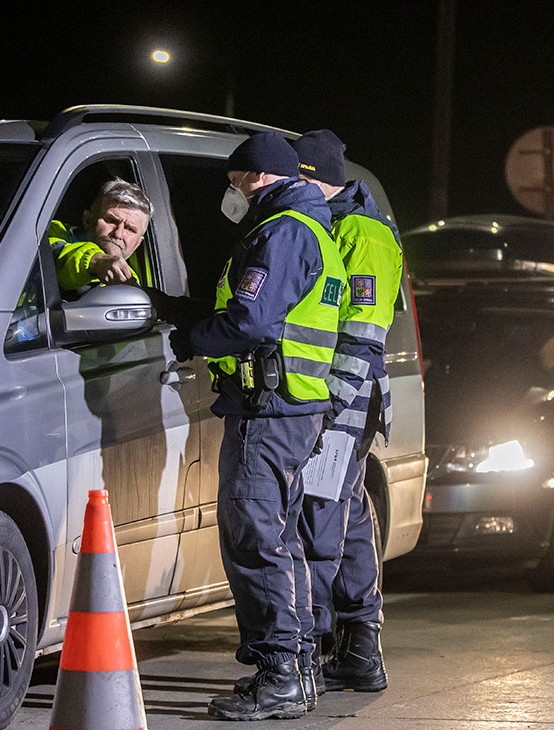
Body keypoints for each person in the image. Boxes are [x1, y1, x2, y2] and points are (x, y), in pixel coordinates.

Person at [164, 131, 346, 721]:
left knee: (254, 541)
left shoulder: (284, 231)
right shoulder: (312, 227)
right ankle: (296, 669)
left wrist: (191, 338)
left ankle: (280, 677)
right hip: (293, 408)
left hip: (270, 411)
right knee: (280, 540)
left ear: (259, 177)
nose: (232, 192)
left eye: (235, 181)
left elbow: (249, 320)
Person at [291, 129, 402, 696]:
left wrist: (329, 401)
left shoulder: (362, 231)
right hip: (344, 396)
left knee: (319, 516)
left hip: (344, 398)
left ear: (311, 176)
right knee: (349, 512)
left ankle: (312, 649)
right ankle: (359, 648)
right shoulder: (344, 223)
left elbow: (362, 330)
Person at [47, 178, 152, 291]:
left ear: (137, 243)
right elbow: (49, 257)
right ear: (87, 220)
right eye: (111, 220)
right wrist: (95, 261)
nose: (118, 234)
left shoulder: (129, 282)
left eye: (130, 229)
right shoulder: (48, 232)